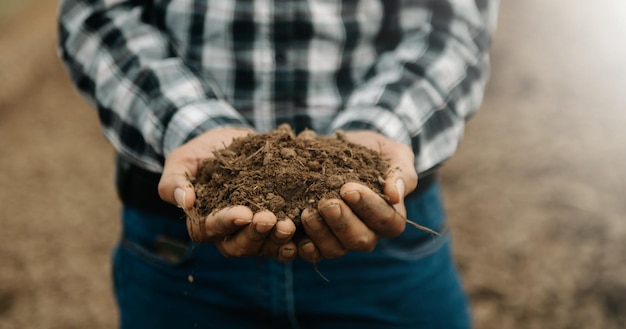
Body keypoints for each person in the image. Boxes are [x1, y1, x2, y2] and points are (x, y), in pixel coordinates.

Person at [58, 0, 498, 328]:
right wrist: (196, 130)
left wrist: (377, 136)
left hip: (382, 228)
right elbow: (96, 16)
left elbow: (454, 21)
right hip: (180, 243)